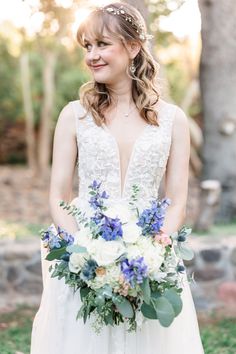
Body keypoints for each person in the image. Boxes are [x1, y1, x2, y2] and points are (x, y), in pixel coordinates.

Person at [30, 2, 204, 353]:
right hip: (84, 257)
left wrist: (153, 251)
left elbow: (177, 200)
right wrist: (85, 252)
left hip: (150, 259)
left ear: (133, 47)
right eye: (87, 46)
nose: (92, 55)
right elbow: (59, 197)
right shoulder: (73, 116)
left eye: (102, 44)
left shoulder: (173, 120)